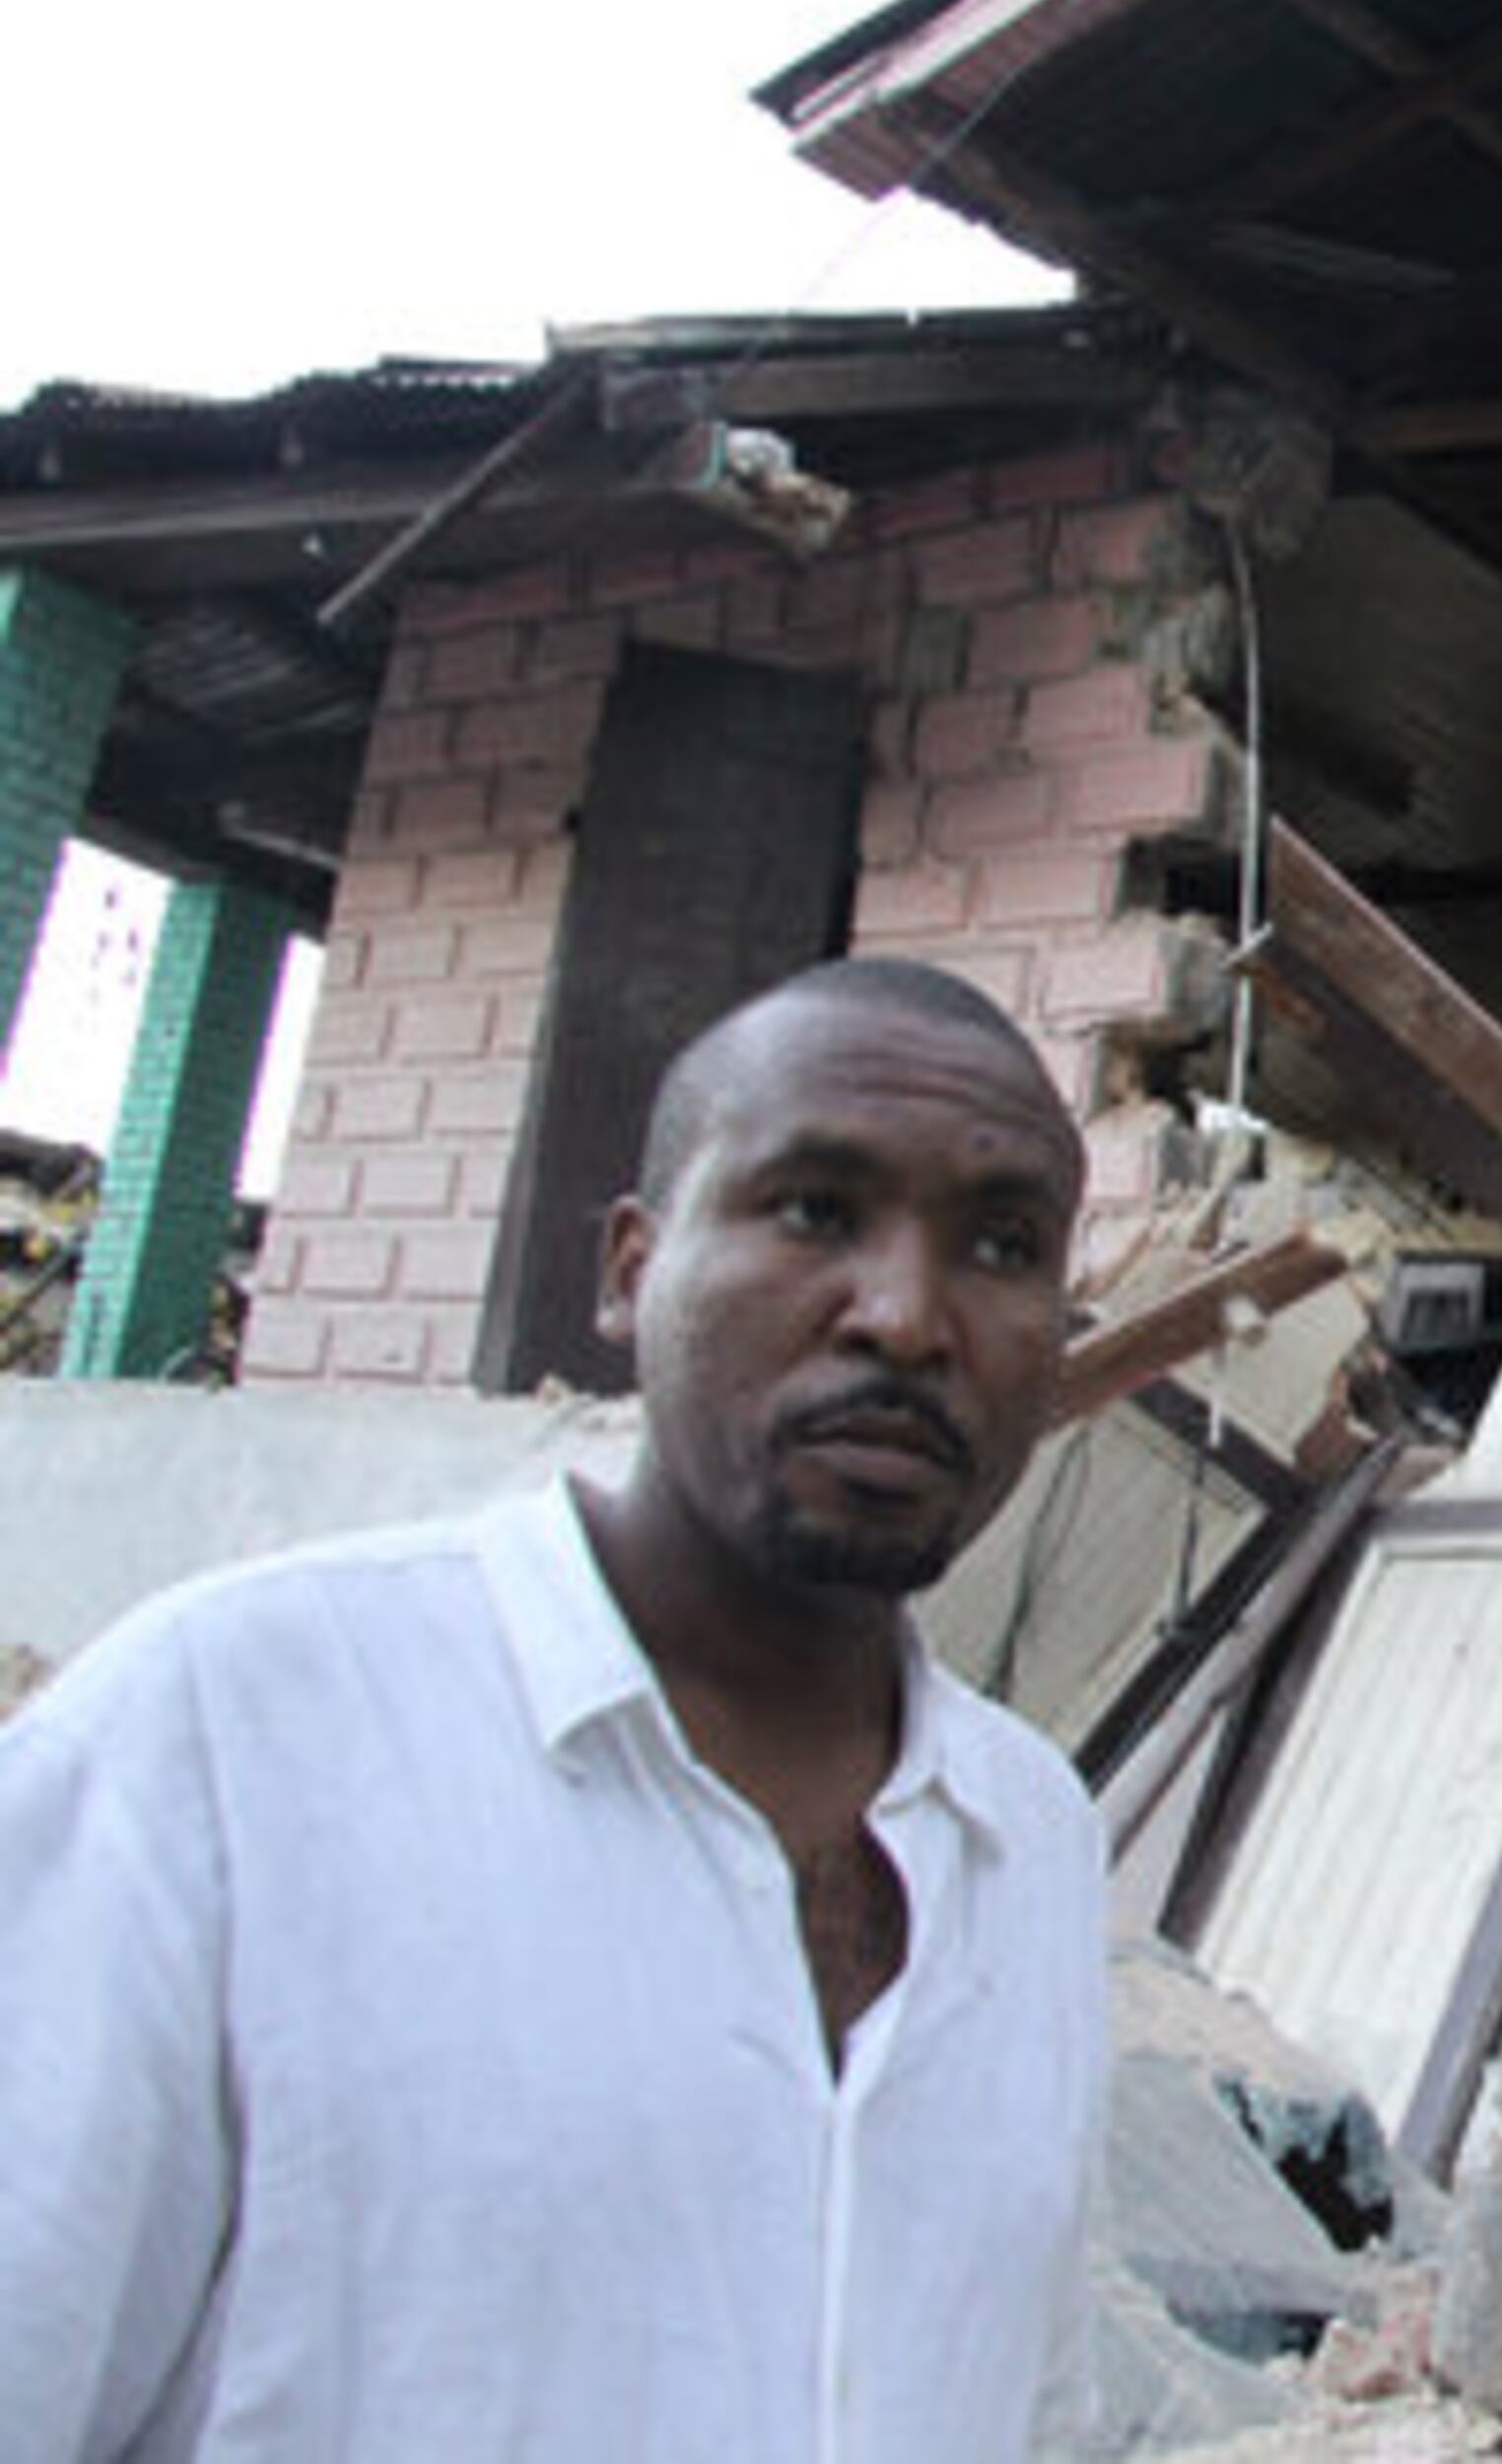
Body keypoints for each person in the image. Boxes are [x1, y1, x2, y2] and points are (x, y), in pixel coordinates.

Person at [0, 956, 1110, 2464]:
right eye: (814, 1210)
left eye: (1001, 1243)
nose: (909, 1319)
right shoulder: (221, 1741)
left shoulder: (1031, 1839)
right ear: (631, 1268)